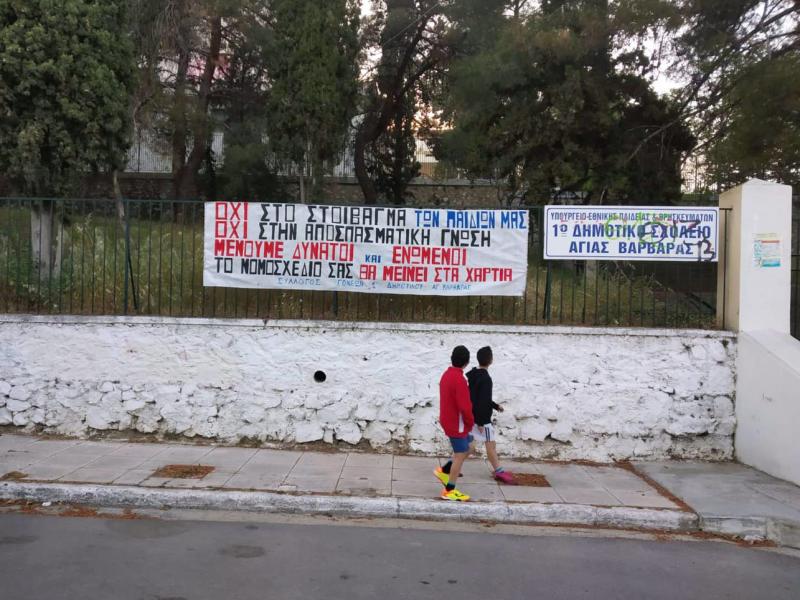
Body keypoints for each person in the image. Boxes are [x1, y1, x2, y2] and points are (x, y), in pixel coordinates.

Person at [466, 346, 514, 484]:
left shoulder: (474, 375)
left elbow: (476, 398)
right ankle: (499, 472)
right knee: (490, 445)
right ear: (491, 360)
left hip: (474, 415)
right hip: (482, 419)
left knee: (470, 446)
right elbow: (482, 401)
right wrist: (481, 422)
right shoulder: (486, 378)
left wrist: (495, 406)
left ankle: (450, 466)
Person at [434, 345, 475, 501]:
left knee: (470, 447)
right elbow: (465, 406)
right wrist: (470, 421)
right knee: (460, 455)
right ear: (466, 362)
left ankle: (445, 470)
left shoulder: (446, 375)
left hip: (449, 420)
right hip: (457, 424)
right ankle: (449, 490)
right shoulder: (460, 380)